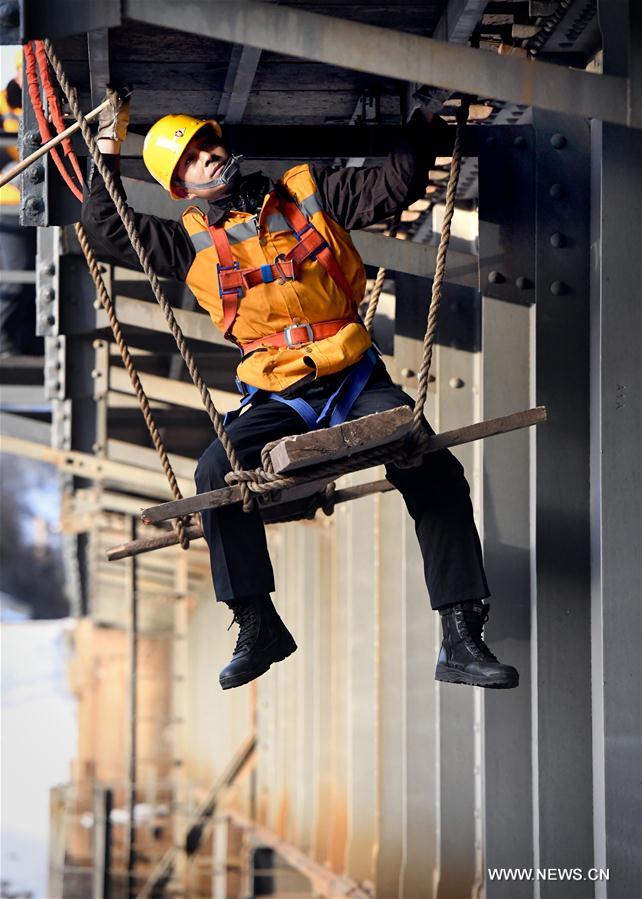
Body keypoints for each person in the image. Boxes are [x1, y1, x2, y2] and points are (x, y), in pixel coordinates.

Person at [81, 87, 519, 692]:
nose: (206, 159)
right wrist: (107, 145)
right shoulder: (189, 244)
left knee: (431, 464)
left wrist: (423, 116)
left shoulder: (308, 195)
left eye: (207, 147)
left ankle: (461, 634)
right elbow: (106, 228)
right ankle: (257, 624)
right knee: (216, 472)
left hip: (352, 376)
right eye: (190, 162)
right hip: (280, 392)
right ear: (181, 187)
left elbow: (392, 187)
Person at [0, 50, 39, 356]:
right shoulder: (1, 106)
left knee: (34, 276)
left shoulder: (41, 106)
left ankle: (24, 341)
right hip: (8, 205)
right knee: (18, 272)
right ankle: (3, 340)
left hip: (36, 203)